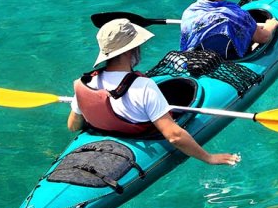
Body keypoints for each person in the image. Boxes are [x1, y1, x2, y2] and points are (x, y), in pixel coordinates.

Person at [68, 18, 241, 167]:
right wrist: (209, 158)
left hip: (105, 140)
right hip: (144, 142)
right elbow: (173, 136)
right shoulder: (144, 87)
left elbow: (73, 126)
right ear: (130, 50)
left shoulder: (87, 83)